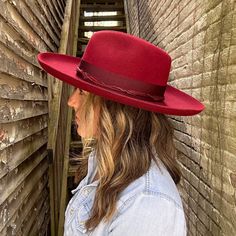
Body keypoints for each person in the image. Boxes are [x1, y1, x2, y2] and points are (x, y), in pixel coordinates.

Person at [37, 30, 205, 236]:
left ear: (113, 110)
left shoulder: (147, 205)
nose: (71, 101)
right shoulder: (103, 159)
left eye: (82, 92)